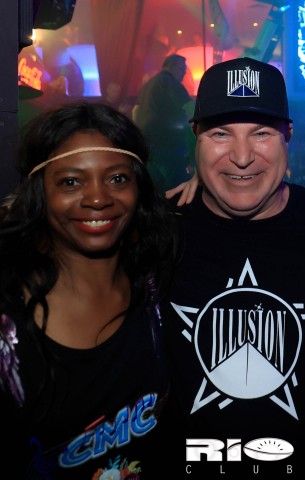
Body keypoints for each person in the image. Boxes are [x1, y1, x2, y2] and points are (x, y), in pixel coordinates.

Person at [160, 57, 305, 479]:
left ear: (288, 136)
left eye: (261, 133)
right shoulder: (157, 231)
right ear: (196, 138)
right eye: (220, 134)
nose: (242, 157)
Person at [0, 102, 177, 478]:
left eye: (117, 179)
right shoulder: (9, 325)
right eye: (71, 182)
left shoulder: (154, 286)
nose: (98, 198)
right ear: (40, 191)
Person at [133, 53, 195, 191]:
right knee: (177, 183)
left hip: (148, 143)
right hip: (167, 142)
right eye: (182, 69)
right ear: (171, 67)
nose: (184, 73)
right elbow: (189, 107)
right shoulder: (171, 83)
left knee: (154, 185)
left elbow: (135, 111)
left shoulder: (147, 85)